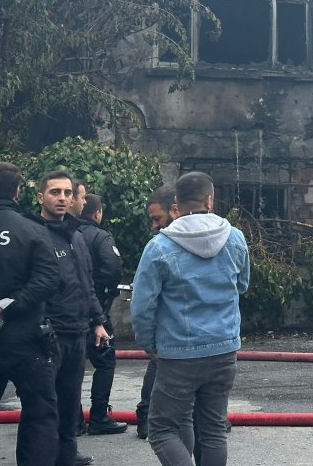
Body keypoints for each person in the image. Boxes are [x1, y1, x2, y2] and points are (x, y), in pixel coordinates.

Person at [131, 171, 249, 466]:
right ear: (210, 199)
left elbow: (142, 306)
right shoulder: (235, 238)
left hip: (178, 353)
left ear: (176, 203)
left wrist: (150, 345)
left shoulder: (159, 246)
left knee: (161, 429)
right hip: (224, 348)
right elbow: (242, 285)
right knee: (213, 430)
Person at [25, 171, 109, 466]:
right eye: (54, 192)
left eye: (66, 193)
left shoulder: (77, 237)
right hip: (47, 335)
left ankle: (67, 456)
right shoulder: (32, 235)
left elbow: (87, 283)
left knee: (70, 401)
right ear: (40, 197)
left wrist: (98, 321)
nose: (62, 198)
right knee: (44, 407)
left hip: (78, 332)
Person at [0, 161, 61, 466]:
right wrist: (4, 307)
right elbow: (48, 279)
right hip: (26, 341)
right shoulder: (32, 229)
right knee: (40, 416)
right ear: (17, 191)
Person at [75, 194, 126, 435]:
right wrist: (105, 296)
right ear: (97, 214)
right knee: (105, 361)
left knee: (70, 367)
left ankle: (73, 420)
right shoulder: (100, 237)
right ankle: (99, 416)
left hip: (67, 313)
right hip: (95, 313)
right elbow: (113, 268)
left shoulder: (67, 234)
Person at [135, 186, 179, 440]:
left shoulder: (161, 245)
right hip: (173, 331)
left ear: (174, 210)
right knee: (157, 368)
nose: (154, 225)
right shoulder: (159, 245)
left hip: (177, 331)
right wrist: (148, 341)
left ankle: (148, 419)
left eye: (157, 218)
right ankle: (146, 418)